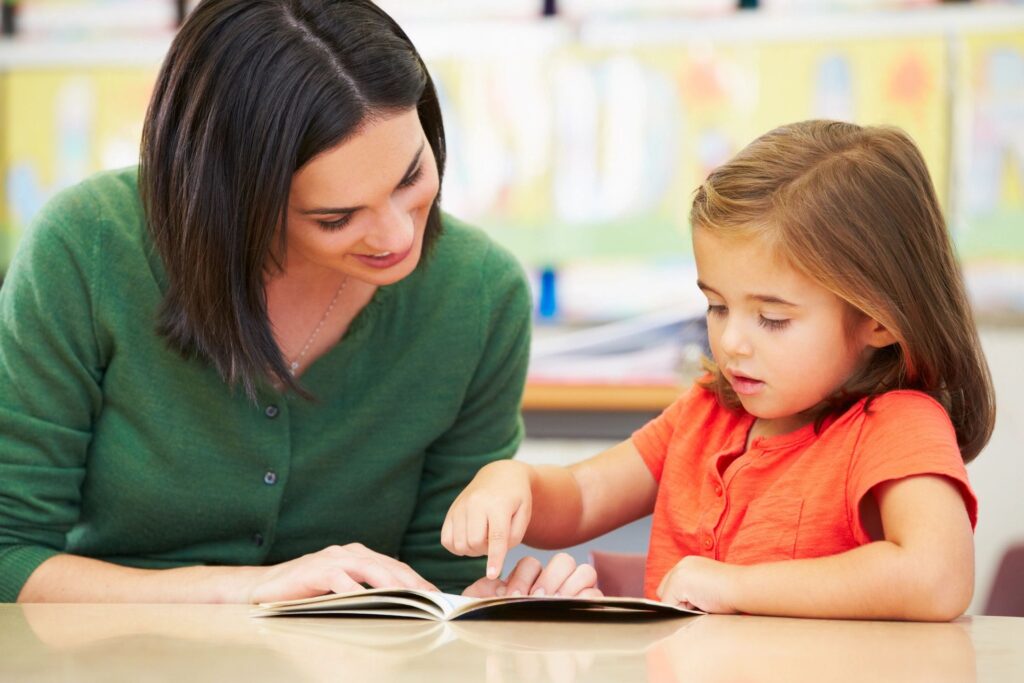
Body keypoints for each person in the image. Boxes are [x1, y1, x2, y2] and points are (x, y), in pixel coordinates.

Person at [0, 0, 593, 604]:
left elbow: (431, 584)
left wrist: (486, 605)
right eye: (336, 217)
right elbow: (8, 555)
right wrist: (254, 590)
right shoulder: (88, 247)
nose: (397, 237)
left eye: (411, 178)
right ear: (232, 203)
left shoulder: (479, 294)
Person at [443, 120, 996, 619]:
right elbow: (586, 496)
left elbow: (936, 578)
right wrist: (511, 483)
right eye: (717, 306)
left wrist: (735, 586)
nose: (731, 342)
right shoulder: (707, 411)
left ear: (878, 320)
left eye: (773, 318)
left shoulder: (897, 425)